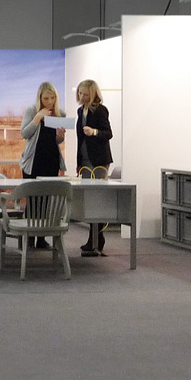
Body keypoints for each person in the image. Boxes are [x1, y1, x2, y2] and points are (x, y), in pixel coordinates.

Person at [18, 82, 66, 249]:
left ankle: (41, 238)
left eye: (52, 98)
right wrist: (38, 118)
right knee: (32, 199)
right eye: (46, 98)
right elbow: (25, 133)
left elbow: (59, 140)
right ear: (40, 98)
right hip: (33, 161)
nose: (49, 102)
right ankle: (29, 237)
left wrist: (60, 136)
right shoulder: (32, 110)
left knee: (46, 200)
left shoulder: (60, 114)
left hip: (51, 160)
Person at [75, 79, 113, 257]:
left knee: (97, 200)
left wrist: (94, 132)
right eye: (80, 93)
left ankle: (97, 239)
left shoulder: (100, 110)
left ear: (93, 94)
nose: (82, 96)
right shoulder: (80, 111)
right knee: (88, 201)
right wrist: (78, 162)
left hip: (98, 160)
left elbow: (108, 133)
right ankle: (94, 239)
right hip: (85, 160)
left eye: (86, 94)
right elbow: (79, 139)